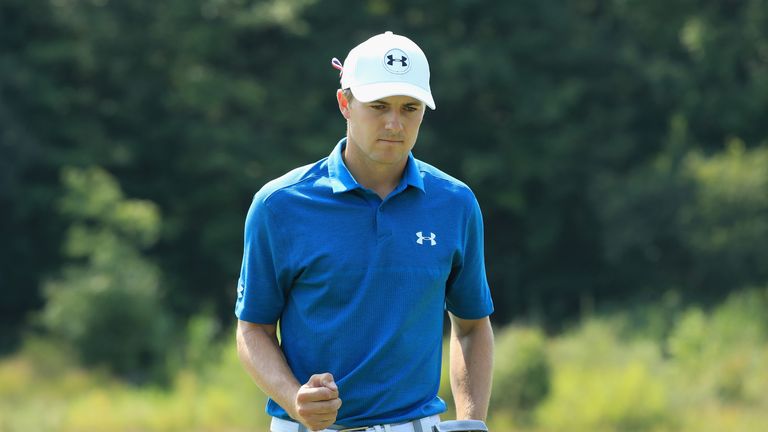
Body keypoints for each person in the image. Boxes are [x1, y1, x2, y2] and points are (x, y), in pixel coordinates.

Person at [235, 31, 494, 432]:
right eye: (378, 106)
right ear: (345, 103)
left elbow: (472, 327)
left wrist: (472, 423)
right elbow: (253, 330)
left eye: (410, 107)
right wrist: (295, 398)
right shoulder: (280, 205)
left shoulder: (455, 204)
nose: (394, 123)